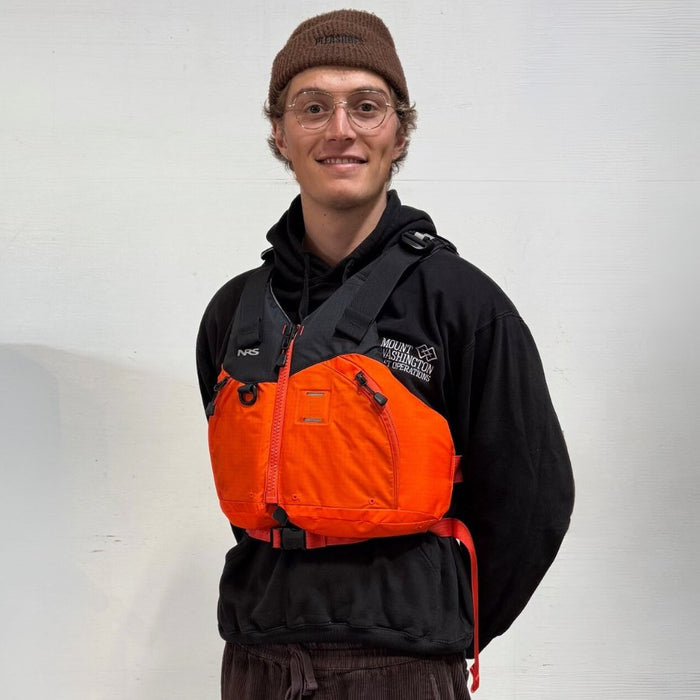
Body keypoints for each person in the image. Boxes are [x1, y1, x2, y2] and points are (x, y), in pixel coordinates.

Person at [197, 9, 574, 700]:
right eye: (312, 107)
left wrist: (443, 621)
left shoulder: (461, 304)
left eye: (366, 107)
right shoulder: (234, 312)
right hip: (254, 658)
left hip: (403, 665)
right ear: (280, 133)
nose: (340, 129)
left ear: (399, 133)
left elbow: (533, 499)